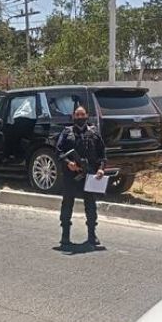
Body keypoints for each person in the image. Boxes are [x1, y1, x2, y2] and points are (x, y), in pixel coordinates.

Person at [56, 105, 106, 246]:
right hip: (70, 176)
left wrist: (101, 169)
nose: (80, 117)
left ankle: (92, 235)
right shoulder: (67, 132)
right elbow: (58, 152)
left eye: (82, 114)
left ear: (87, 115)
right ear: (73, 116)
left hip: (89, 175)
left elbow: (102, 155)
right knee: (67, 204)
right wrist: (68, 163)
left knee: (90, 205)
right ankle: (65, 235)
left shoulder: (94, 133)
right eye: (77, 115)